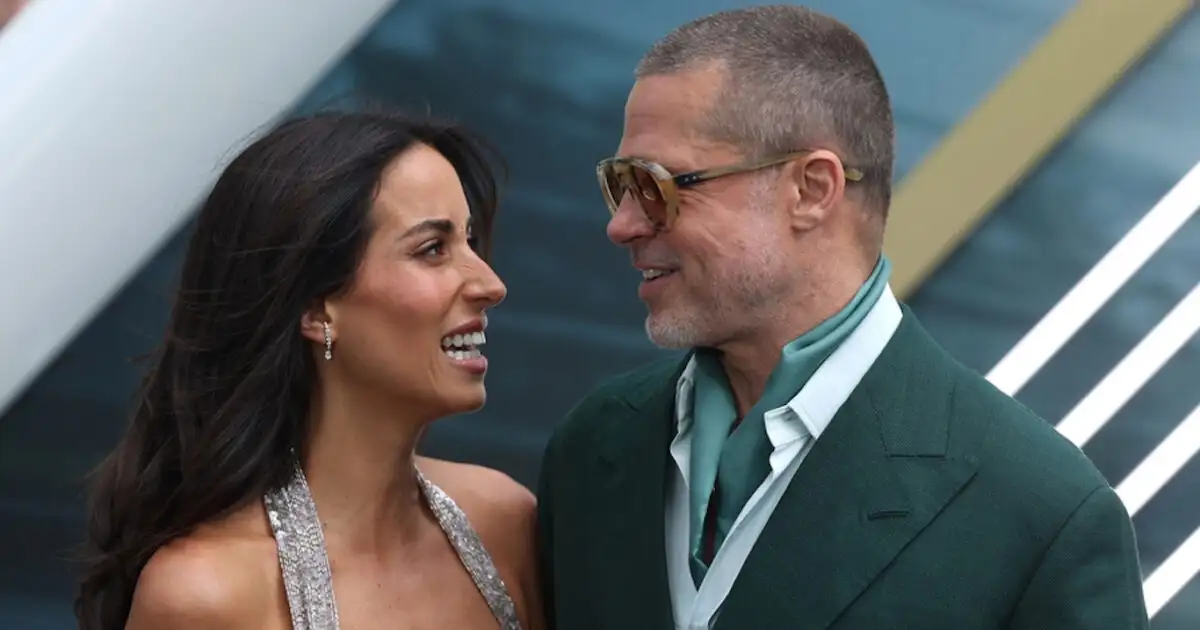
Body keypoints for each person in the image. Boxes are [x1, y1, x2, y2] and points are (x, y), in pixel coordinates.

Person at [537, 6, 1148, 630]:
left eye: (657, 185)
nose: (623, 225)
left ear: (811, 190)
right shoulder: (594, 448)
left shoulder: (1041, 515)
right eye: (620, 185)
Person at [75, 111, 542, 630]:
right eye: (432, 249)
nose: (490, 284)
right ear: (316, 308)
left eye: (470, 241)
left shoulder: (505, 522)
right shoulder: (207, 594)